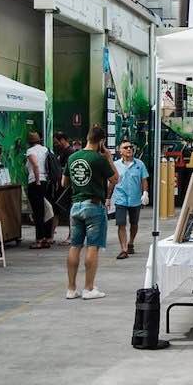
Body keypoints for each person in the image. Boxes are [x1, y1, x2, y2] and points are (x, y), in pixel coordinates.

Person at [62, 127, 117, 300]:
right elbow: (115, 179)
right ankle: (89, 288)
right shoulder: (99, 159)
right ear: (101, 141)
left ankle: (71, 289)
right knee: (93, 246)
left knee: (75, 246)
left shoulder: (72, 157)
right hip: (94, 206)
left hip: (75, 206)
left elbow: (64, 183)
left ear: (87, 138)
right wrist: (108, 158)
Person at [112, 140, 148, 260]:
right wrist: (107, 198)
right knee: (121, 223)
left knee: (134, 223)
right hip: (120, 199)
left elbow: (144, 180)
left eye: (130, 147)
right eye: (125, 147)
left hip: (135, 199)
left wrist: (145, 193)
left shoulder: (139, 164)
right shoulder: (115, 165)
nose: (129, 149)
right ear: (120, 151)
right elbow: (112, 182)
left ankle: (131, 242)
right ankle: (124, 249)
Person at [24, 130, 53, 249]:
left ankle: (39, 239)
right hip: (45, 182)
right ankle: (46, 237)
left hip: (36, 183)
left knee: (38, 213)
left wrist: (36, 181)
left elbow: (35, 165)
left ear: (30, 142)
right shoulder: (46, 150)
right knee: (46, 210)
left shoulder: (30, 151)